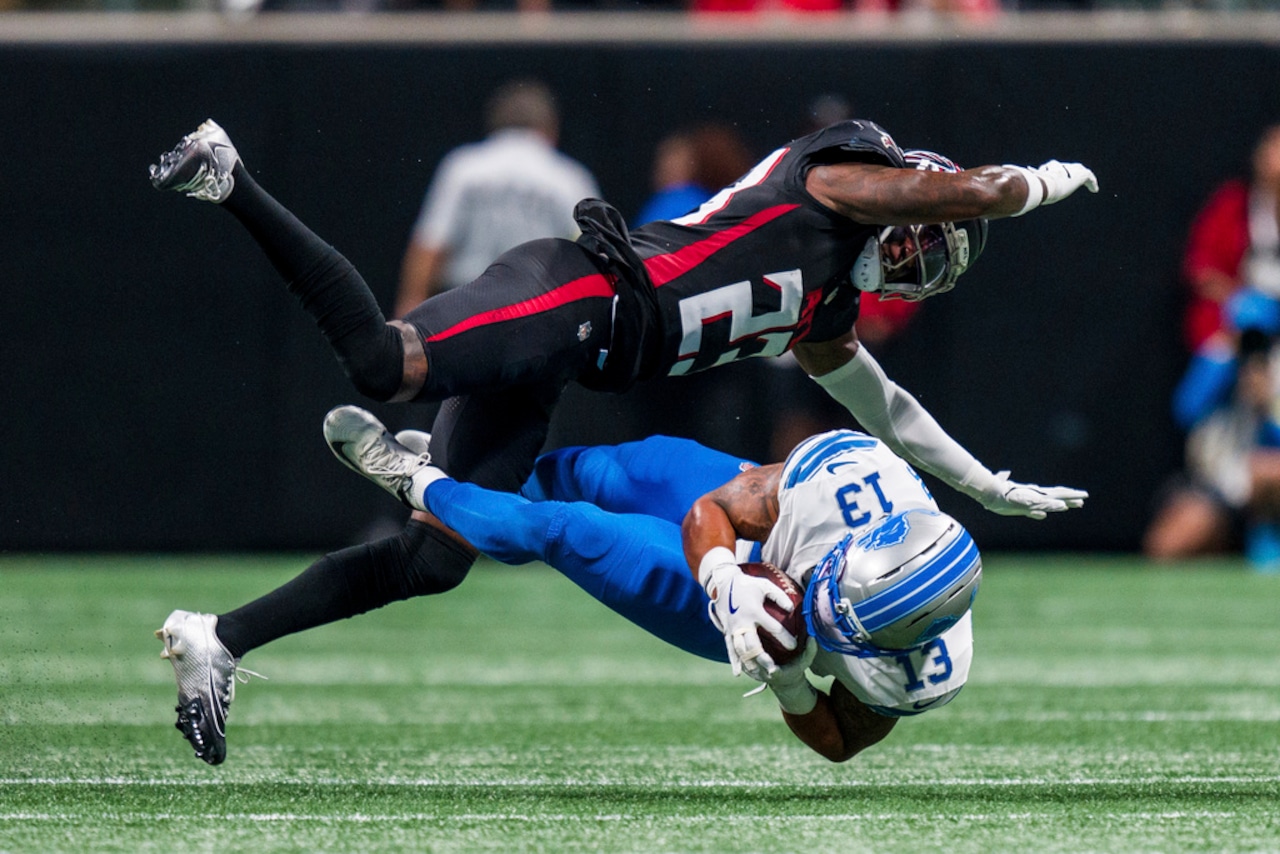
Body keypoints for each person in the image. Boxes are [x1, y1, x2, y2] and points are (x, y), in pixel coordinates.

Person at [148, 116, 1095, 764]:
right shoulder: (830, 183)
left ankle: (217, 640)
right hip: (581, 291)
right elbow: (976, 187)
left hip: (576, 351)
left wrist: (984, 487)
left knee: (431, 566)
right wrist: (1040, 186)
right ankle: (228, 176)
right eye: (932, 229)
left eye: (935, 260)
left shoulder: (827, 311)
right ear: (913, 189)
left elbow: (888, 411)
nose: (921, 254)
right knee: (379, 362)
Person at [160, 404, 982, 764]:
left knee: (572, 534)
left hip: (739, 624)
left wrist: (793, 680)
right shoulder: (848, 475)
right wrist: (728, 573)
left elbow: (839, 743)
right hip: (745, 554)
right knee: (618, 469)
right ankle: (479, 495)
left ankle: (416, 478)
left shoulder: (915, 672)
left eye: (842, 621)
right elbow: (712, 508)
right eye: (830, 589)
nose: (818, 602)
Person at [395, 79, 599, 318]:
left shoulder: (464, 168)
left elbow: (430, 244)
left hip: (466, 305)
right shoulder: (568, 176)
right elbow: (596, 249)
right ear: (550, 128)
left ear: (494, 124)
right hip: (537, 307)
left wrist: (409, 307)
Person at [1181, 124, 1280, 352]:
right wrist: (1237, 299)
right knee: (1221, 355)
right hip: (1234, 319)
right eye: (1273, 146)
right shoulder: (1232, 203)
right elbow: (1199, 266)